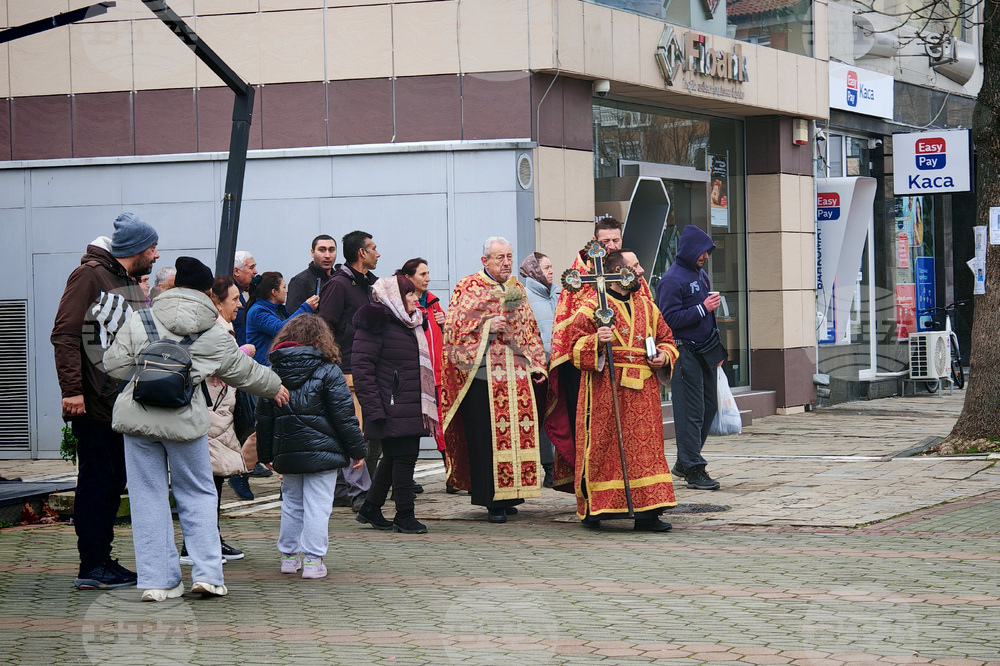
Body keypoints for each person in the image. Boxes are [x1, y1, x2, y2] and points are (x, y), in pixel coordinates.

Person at [104, 257, 288, 601]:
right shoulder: (213, 330)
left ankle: (158, 582)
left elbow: (114, 365)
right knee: (197, 493)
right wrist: (275, 385)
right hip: (184, 420)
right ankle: (207, 575)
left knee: (147, 498)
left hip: (138, 417)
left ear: (175, 286)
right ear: (207, 292)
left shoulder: (141, 319)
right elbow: (244, 371)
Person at [51, 213, 159, 590]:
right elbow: (65, 334)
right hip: (95, 403)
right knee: (98, 483)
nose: (156, 255)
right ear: (136, 249)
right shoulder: (90, 276)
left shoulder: (125, 281)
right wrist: (72, 390)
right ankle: (92, 565)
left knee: (114, 483)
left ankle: (101, 559)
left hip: (122, 404)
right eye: (152, 248)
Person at [558, 249, 679, 532]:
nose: (641, 271)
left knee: (646, 452)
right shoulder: (591, 308)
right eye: (634, 266)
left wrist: (664, 356)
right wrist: (596, 341)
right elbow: (573, 349)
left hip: (644, 394)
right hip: (605, 391)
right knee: (604, 447)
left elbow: (667, 339)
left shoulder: (648, 306)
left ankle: (648, 513)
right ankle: (596, 508)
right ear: (617, 273)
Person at [440, 237, 548, 524]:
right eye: (500, 257)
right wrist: (487, 326)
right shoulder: (468, 286)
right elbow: (454, 328)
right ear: (485, 260)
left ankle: (510, 495)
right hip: (482, 377)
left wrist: (537, 362)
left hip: (516, 374)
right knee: (487, 438)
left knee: (516, 436)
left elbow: (530, 328)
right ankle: (491, 500)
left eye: (509, 256)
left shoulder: (516, 289)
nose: (506, 262)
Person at [255, 314, 367, 580]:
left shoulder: (272, 372)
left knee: (292, 503)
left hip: (287, 450)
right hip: (323, 452)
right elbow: (344, 416)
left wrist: (265, 454)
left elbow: (264, 419)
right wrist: (357, 450)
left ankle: (288, 557)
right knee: (318, 505)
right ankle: (313, 561)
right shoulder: (329, 371)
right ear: (321, 339)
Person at [545, 216, 632, 491]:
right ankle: (588, 487)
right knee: (589, 428)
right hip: (584, 366)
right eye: (606, 241)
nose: (611, 245)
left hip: (624, 364)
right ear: (595, 241)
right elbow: (567, 322)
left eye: (616, 240)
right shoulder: (579, 274)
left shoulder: (627, 272)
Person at [180, 275, 258, 563]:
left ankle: (208, 540)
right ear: (217, 302)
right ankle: (197, 546)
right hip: (211, 414)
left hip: (219, 414)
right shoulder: (214, 329)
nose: (239, 304)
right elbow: (219, 365)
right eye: (234, 299)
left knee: (214, 481)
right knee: (208, 483)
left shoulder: (220, 328)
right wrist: (243, 354)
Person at [352, 275, 436, 534]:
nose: (415, 298)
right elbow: (362, 369)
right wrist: (374, 408)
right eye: (409, 294)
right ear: (395, 297)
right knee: (405, 458)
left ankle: (371, 508)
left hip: (408, 403)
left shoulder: (410, 322)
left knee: (393, 457)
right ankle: (404, 515)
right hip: (391, 405)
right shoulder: (376, 322)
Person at [316, 230, 380, 510]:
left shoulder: (369, 284)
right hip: (345, 369)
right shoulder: (339, 285)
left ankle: (345, 488)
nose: (378, 253)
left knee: (364, 429)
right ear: (361, 253)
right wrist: (332, 364)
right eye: (373, 248)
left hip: (367, 366)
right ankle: (359, 491)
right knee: (353, 428)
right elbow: (325, 327)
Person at [656, 225, 723, 491]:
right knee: (690, 411)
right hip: (684, 352)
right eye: (702, 251)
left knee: (709, 407)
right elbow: (668, 319)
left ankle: (685, 462)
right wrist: (702, 308)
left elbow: (706, 316)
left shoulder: (700, 274)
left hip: (705, 350)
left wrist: (716, 348)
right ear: (690, 250)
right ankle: (694, 467)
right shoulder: (672, 280)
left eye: (707, 252)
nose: (705, 256)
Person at [397, 257, 446, 494]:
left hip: (438, 375)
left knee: (444, 426)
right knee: (414, 428)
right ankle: (405, 478)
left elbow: (447, 338)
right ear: (408, 278)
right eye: (422, 274)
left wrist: (445, 324)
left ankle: (453, 474)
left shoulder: (434, 303)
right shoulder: (403, 305)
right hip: (415, 377)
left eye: (428, 274)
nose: (428, 278)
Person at [519, 251, 561, 488]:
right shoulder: (523, 297)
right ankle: (549, 467)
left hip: (561, 364)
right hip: (538, 369)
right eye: (546, 268)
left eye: (551, 266)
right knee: (543, 417)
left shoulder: (559, 293)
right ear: (534, 271)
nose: (551, 271)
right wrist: (534, 364)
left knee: (560, 415)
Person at [245, 271, 319, 367]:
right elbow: (280, 329)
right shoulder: (258, 311)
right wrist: (306, 307)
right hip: (263, 367)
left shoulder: (278, 309)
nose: (286, 291)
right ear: (274, 292)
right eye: (284, 287)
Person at [286, 235, 338, 312]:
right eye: (322, 250)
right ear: (312, 252)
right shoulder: (300, 281)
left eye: (331, 250)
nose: (327, 255)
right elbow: (293, 315)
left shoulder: (339, 279)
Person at [232, 251, 258, 346]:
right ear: (236, 271)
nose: (255, 271)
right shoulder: (228, 293)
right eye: (251, 267)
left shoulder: (249, 290)